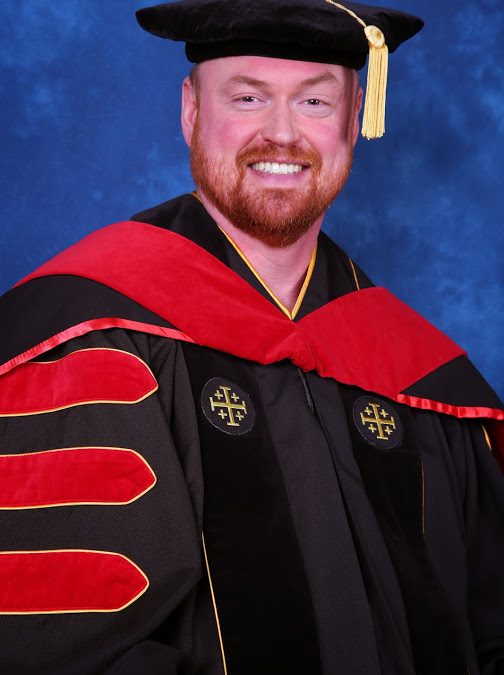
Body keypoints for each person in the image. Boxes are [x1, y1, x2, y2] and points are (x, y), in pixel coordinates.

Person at [0, 0, 502, 673]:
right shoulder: (95, 336)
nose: (282, 133)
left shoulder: (417, 371)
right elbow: (69, 647)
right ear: (191, 110)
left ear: (355, 117)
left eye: (315, 102)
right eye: (248, 97)